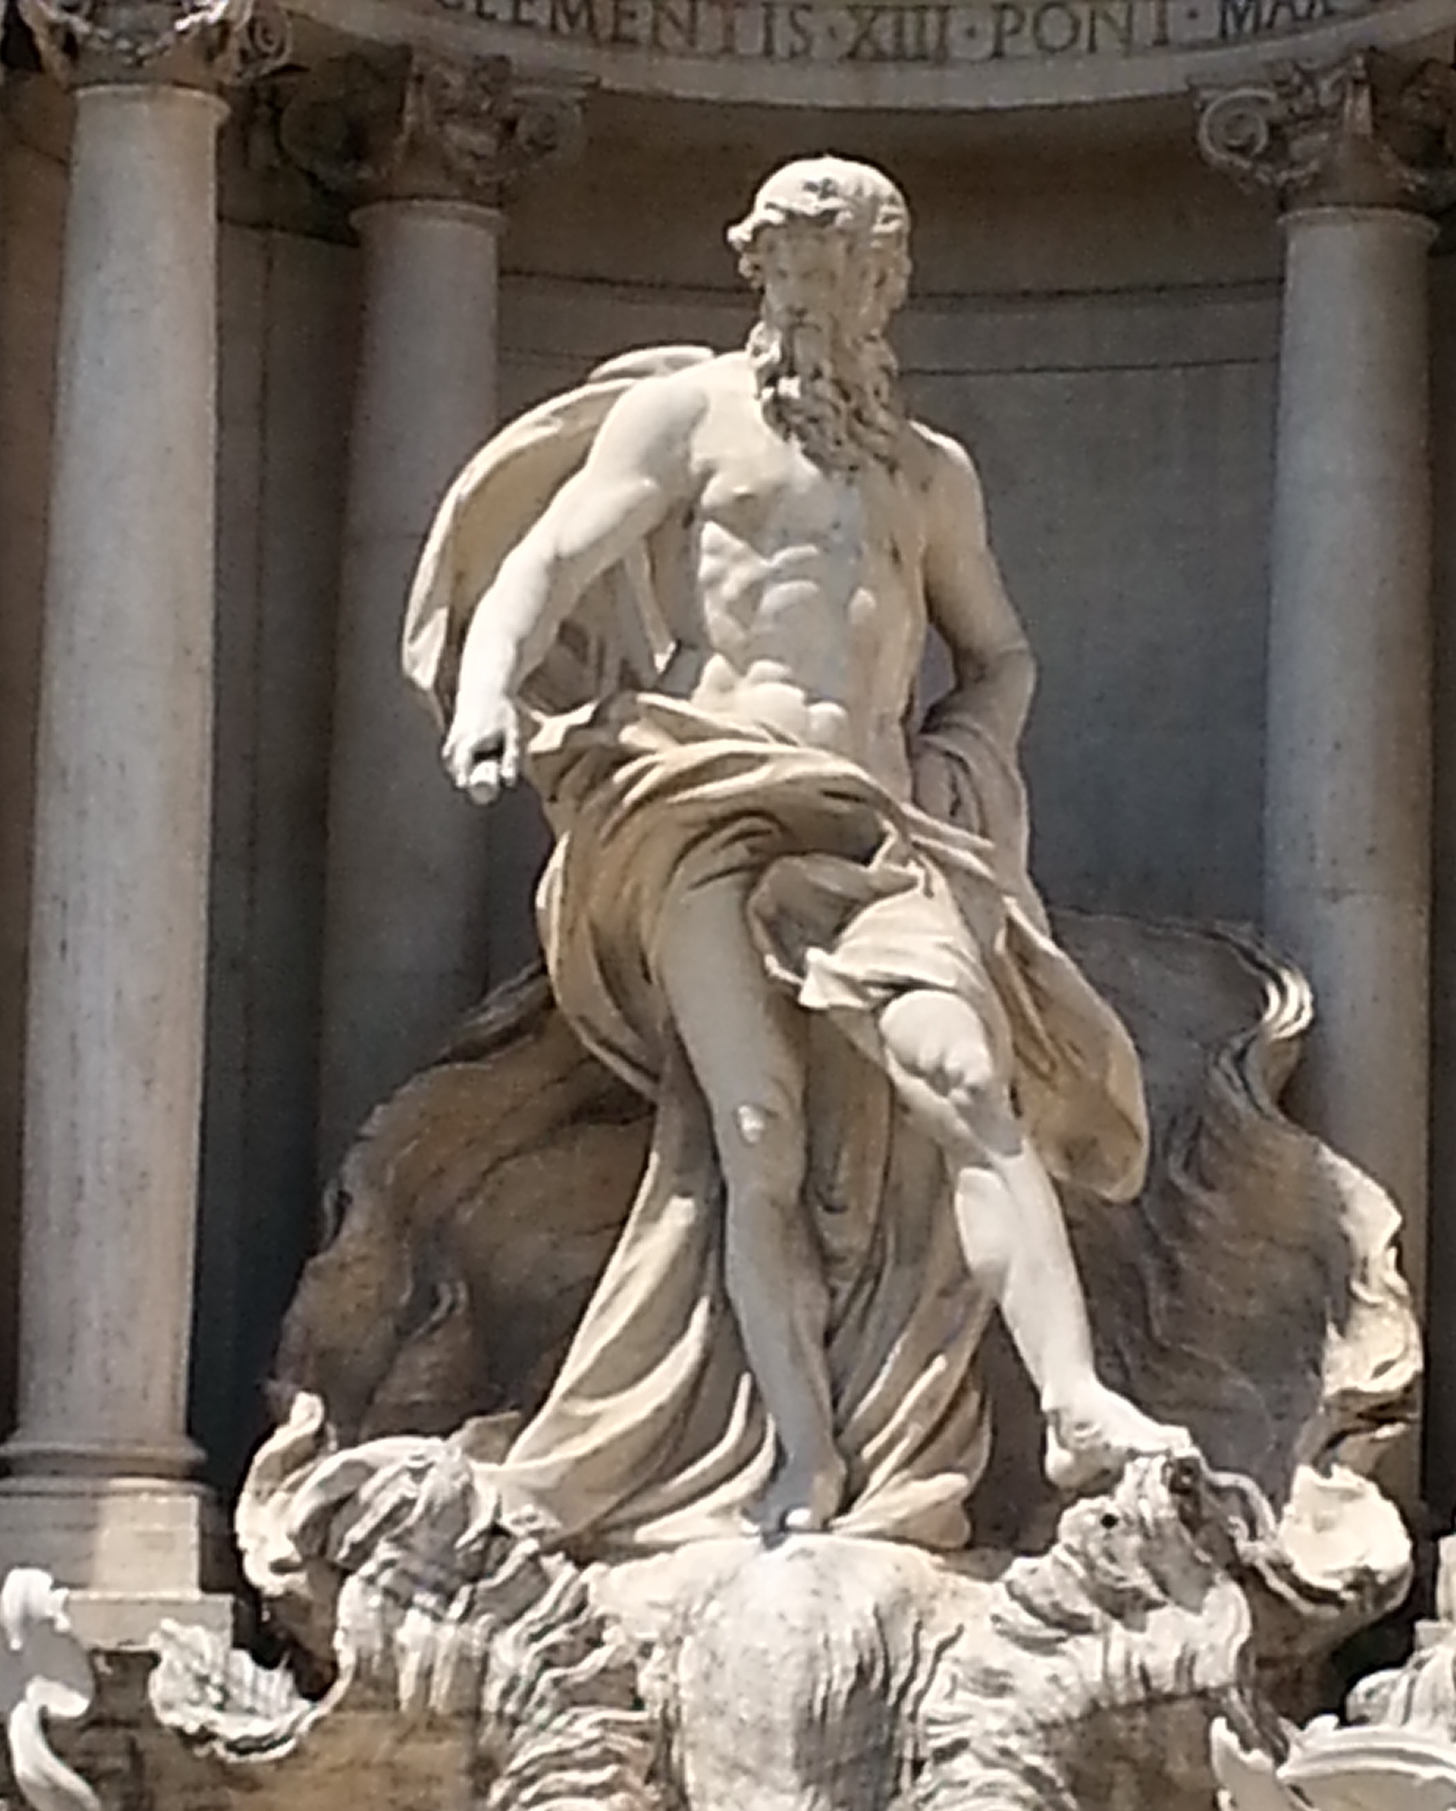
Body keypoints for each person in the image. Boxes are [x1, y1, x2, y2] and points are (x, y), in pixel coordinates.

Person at [405, 154, 1190, 1550]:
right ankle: (802, 1466)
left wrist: (966, 766)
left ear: (890, 286)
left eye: (854, 266)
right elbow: (548, 560)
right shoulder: (686, 418)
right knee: (754, 1135)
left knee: (966, 1080)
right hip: (704, 794)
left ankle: (1072, 1401)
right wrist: (484, 698)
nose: (824, 290)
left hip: (881, 824)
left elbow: (999, 655)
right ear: (755, 269)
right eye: (799, 262)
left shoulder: (925, 472)